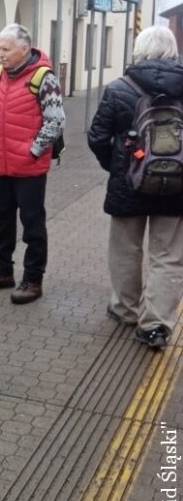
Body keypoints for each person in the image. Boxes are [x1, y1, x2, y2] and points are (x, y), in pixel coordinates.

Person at [88, 25, 183, 349]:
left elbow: (97, 137)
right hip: (177, 187)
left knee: (125, 249)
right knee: (167, 256)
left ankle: (126, 309)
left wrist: (117, 167)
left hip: (128, 184)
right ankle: (154, 325)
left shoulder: (119, 88)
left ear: (138, 50)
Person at [0, 23, 65, 304]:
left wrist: (33, 151)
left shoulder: (43, 78)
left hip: (29, 169)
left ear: (24, 49)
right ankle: (2, 271)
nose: (0, 54)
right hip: (1, 164)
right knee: (1, 221)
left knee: (32, 225)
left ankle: (33, 279)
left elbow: (57, 121)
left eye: (6, 49)